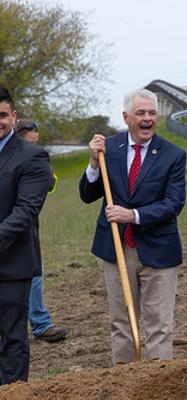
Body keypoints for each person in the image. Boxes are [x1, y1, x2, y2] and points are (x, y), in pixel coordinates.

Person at [79, 88, 186, 364]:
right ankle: (124, 380)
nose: (147, 119)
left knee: (158, 324)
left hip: (158, 249)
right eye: (140, 113)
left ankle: (156, 380)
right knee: (122, 323)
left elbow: (174, 203)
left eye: (152, 113)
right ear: (126, 117)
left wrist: (133, 215)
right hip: (116, 248)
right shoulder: (108, 149)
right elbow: (87, 195)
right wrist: (93, 163)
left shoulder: (173, 155)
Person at [0, 86, 52, 384]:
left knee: (10, 336)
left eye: (2, 115)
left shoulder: (33, 156)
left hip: (11, 264)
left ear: (13, 116)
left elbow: (25, 212)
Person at [15, 120, 68, 342]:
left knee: (34, 272)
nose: (34, 147)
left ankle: (40, 323)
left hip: (27, 227)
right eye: (30, 143)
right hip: (10, 226)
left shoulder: (35, 160)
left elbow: (50, 184)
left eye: (36, 143)